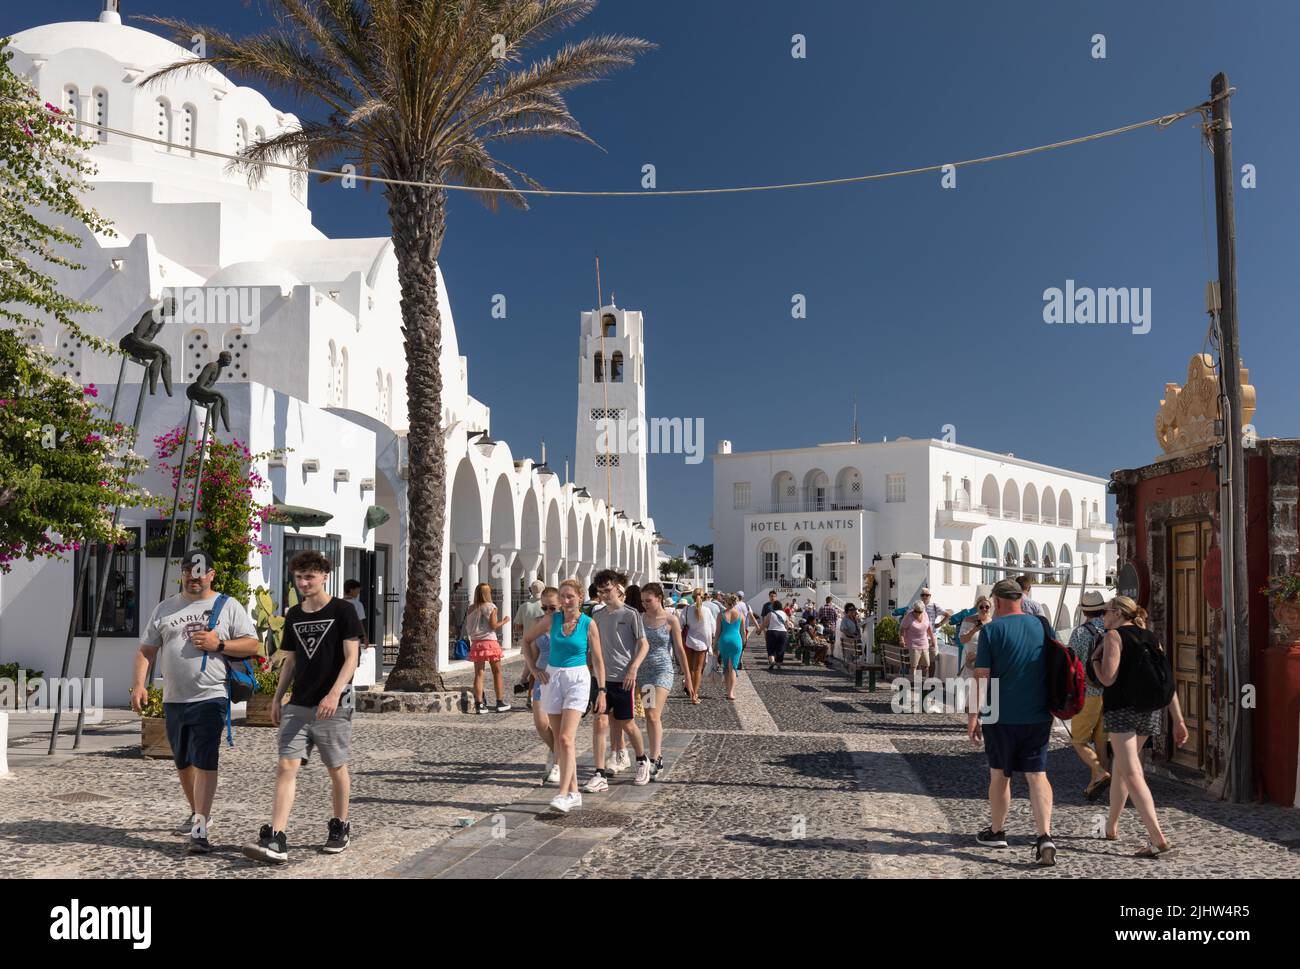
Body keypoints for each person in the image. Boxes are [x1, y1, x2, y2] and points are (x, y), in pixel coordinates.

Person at [130, 549, 260, 854]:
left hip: (211, 696)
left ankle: (200, 829)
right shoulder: (165, 608)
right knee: (183, 761)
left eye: (199, 571)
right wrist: (138, 685)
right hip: (174, 699)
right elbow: (146, 650)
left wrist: (220, 644)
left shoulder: (227, 606)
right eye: (188, 570)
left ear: (211, 574)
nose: (193, 576)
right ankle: (198, 813)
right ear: (183, 574)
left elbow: (253, 645)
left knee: (205, 758)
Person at [243, 550, 363, 864]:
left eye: (309, 577)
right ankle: (278, 838)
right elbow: (291, 660)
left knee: (335, 767)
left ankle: (340, 825)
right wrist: (277, 697)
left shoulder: (343, 611)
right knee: (286, 765)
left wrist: (335, 694)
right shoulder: (295, 614)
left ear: (324, 576)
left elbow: (352, 657)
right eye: (299, 577)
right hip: (299, 703)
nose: (303, 583)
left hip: (334, 704)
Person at [968, 578, 1056, 866]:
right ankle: (1045, 836)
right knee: (1037, 775)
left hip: (1000, 714)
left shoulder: (992, 631)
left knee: (1000, 774)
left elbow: (981, 676)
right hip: (1039, 714)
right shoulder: (1042, 626)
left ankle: (997, 831)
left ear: (1000, 601)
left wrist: (973, 715)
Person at [1094, 595, 1188, 857]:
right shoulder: (1151, 637)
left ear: (1117, 614)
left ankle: (1157, 839)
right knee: (1122, 767)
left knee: (1132, 772)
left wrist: (1094, 661)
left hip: (1122, 711)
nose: (1103, 617)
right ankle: (1111, 826)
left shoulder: (1113, 637)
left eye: (1106, 612)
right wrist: (1178, 719)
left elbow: (1108, 679)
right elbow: (1166, 681)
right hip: (1150, 712)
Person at [526, 579, 606, 813]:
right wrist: (534, 669)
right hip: (552, 678)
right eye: (562, 596)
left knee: (565, 739)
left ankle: (563, 794)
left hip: (577, 679)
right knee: (560, 738)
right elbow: (527, 640)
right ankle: (574, 793)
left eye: (570, 596)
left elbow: (599, 660)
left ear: (580, 597)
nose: (565, 601)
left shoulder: (589, 624)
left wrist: (601, 690)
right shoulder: (553, 620)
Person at [584, 569, 653, 792]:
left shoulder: (631, 614)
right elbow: (593, 648)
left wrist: (634, 667)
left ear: (618, 588)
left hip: (624, 679)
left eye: (607, 590)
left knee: (627, 724)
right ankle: (599, 773)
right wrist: (589, 668)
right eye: (600, 591)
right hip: (602, 679)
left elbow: (643, 644)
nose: (604, 594)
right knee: (600, 722)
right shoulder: (597, 616)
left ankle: (642, 760)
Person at [638, 583, 692, 778]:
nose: (645, 604)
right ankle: (656, 756)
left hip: (662, 670)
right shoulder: (640, 619)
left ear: (659, 598)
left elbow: (679, 649)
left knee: (653, 714)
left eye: (648, 600)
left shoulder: (671, 619)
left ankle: (655, 758)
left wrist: (688, 677)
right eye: (642, 601)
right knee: (650, 716)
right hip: (643, 672)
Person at [1067, 591, 1111, 801]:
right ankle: (1098, 785)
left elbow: (1071, 664)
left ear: (1084, 610)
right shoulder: (1112, 629)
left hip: (1089, 693)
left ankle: (1099, 772)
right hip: (1110, 693)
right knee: (1102, 741)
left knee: (1079, 741)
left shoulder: (1079, 633)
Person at [522, 587, 561, 784]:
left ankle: (558, 763)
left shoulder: (567, 625)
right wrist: (529, 672)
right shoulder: (539, 623)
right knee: (541, 723)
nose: (547, 612)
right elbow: (530, 647)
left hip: (561, 677)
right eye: (544, 607)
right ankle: (559, 755)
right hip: (541, 677)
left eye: (552, 608)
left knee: (559, 725)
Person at [464, 583, 512, 714]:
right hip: (490, 642)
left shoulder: (470, 608)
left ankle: (479, 704)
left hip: (476, 643)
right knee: (497, 672)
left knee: (479, 673)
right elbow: (493, 626)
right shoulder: (491, 607)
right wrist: (505, 621)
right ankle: (500, 702)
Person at [514, 580, 547, 699]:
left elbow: (517, 626)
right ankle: (532, 696)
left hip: (528, 642)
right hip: (543, 643)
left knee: (532, 669)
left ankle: (529, 693)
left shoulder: (524, 606)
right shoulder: (546, 606)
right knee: (538, 670)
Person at [680, 588, 713, 703]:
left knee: (689, 669)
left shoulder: (687, 609)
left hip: (689, 641)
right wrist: (710, 645)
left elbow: (681, 624)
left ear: (692, 597)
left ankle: (689, 690)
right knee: (698, 670)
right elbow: (710, 629)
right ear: (703, 597)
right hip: (702, 643)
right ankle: (695, 695)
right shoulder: (707, 611)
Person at [714, 594, 745, 701]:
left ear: (726, 602)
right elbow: (743, 633)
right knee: (733, 667)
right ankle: (731, 692)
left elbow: (717, 632)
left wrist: (715, 645)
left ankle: (728, 691)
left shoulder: (721, 615)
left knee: (726, 667)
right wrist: (744, 644)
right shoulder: (740, 615)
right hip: (736, 641)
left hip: (724, 641)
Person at [918, 587, 952, 673]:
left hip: (931, 639)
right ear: (920, 596)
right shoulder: (917, 606)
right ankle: (921, 683)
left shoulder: (934, 606)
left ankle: (930, 682)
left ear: (930, 596)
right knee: (921, 663)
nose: (925, 597)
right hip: (920, 639)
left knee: (932, 662)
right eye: (923, 595)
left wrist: (939, 624)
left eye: (927, 595)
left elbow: (948, 615)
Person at [959, 596, 993, 677]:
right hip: (968, 661)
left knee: (982, 688)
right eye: (981, 607)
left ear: (990, 608)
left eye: (987, 607)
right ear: (977, 608)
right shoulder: (968, 620)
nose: (984, 609)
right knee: (967, 687)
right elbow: (962, 640)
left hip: (984, 662)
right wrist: (974, 630)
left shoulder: (993, 623)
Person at [900, 600, 934, 676]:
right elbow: (902, 629)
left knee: (926, 665)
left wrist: (933, 640)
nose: (917, 613)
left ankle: (922, 682)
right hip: (913, 645)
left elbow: (928, 628)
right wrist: (902, 640)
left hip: (924, 644)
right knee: (914, 666)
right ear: (913, 609)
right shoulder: (909, 616)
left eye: (920, 612)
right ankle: (914, 684)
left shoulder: (925, 615)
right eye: (916, 611)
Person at [760, 590, 789, 671]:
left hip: (773, 631)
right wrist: (764, 629)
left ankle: (774, 662)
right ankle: (776, 662)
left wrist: (760, 629)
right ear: (769, 597)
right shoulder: (766, 605)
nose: (772, 597)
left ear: (776, 597)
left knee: (774, 647)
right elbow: (763, 617)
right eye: (771, 596)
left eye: (774, 596)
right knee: (774, 646)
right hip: (770, 629)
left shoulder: (779, 606)